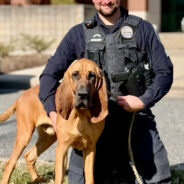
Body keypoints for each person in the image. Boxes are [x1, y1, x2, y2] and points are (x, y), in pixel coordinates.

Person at [38, 0, 173, 183]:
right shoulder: (77, 34)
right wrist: (54, 114)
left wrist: (144, 100)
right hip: (90, 121)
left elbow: (164, 71)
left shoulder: (143, 29)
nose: (106, 1)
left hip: (134, 119)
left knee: (159, 178)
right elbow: (48, 76)